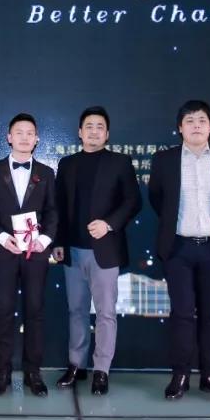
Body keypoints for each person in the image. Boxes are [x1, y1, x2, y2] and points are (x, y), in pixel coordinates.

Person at [148, 100, 210, 402]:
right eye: (189, 120)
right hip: (179, 248)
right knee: (182, 314)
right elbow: (157, 199)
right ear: (180, 128)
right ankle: (181, 374)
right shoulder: (164, 160)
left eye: (201, 120)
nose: (196, 125)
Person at [53, 106, 141, 395]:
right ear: (80, 132)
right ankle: (76, 364)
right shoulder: (67, 164)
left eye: (99, 126)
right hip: (72, 251)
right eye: (88, 126)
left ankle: (101, 370)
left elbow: (133, 201)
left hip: (105, 251)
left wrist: (109, 224)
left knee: (105, 313)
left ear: (107, 133)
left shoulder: (120, 162)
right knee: (76, 310)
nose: (94, 131)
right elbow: (59, 207)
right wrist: (58, 242)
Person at [0, 113, 58, 397]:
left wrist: (44, 240)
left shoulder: (46, 173)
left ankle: (32, 372)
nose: (24, 137)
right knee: (3, 311)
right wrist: (2, 238)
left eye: (30, 133)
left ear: (37, 139)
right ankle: (2, 372)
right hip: (4, 252)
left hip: (36, 254)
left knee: (34, 311)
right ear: (9, 137)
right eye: (19, 132)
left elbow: (53, 212)